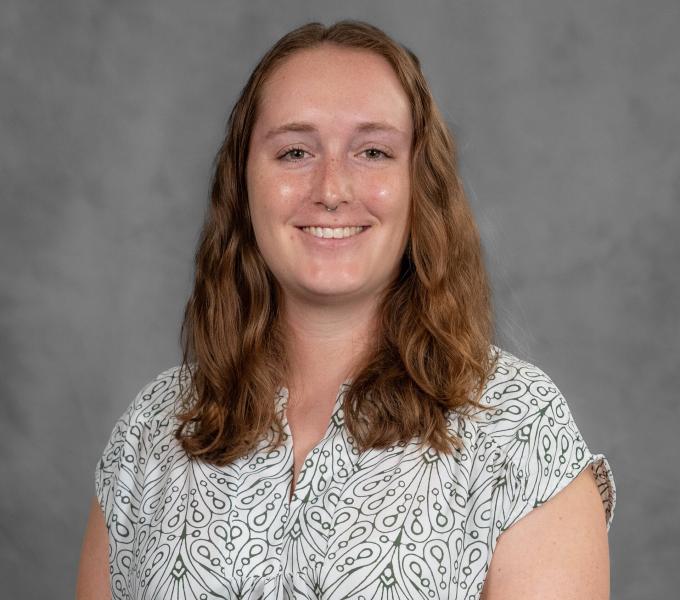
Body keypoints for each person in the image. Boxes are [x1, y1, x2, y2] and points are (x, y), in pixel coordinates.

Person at [76, 19, 616, 600]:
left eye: (373, 151)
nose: (331, 189)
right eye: (295, 151)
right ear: (244, 183)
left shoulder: (518, 431)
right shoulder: (153, 430)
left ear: (419, 185)